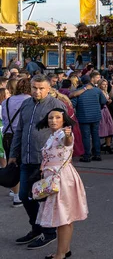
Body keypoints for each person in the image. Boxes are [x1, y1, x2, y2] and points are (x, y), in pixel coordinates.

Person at [9, 75, 66, 250]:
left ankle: (49, 233)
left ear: (48, 89)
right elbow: (20, 130)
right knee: (25, 195)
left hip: (46, 163)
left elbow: (65, 133)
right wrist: (13, 153)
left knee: (44, 199)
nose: (37, 91)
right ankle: (36, 228)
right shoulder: (26, 104)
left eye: (41, 88)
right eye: (34, 87)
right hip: (26, 159)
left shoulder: (56, 105)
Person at [36, 109, 88, 259]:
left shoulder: (64, 134)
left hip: (61, 178)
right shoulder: (53, 135)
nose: (53, 120)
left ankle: (60, 255)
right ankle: (65, 250)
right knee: (65, 216)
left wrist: (67, 135)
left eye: (57, 117)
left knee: (63, 217)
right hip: (54, 177)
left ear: (64, 120)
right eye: (50, 117)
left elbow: (68, 141)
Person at [2, 78, 31, 207]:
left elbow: (4, 118)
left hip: (8, 135)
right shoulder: (29, 101)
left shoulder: (6, 101)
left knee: (12, 164)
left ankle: (15, 193)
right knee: (25, 165)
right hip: (22, 136)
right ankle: (22, 194)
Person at [70, 75, 107, 162]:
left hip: (83, 117)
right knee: (95, 135)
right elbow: (103, 101)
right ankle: (97, 154)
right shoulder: (97, 91)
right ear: (90, 80)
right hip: (95, 116)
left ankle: (87, 155)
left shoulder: (78, 92)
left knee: (85, 137)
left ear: (81, 82)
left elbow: (73, 104)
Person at [97, 79, 113, 155]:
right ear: (100, 85)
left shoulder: (105, 91)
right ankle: (97, 147)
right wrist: (107, 101)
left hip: (107, 110)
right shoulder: (98, 92)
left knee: (109, 127)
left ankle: (108, 146)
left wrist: (112, 88)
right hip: (101, 110)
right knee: (101, 128)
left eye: (106, 84)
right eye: (103, 84)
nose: (105, 86)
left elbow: (110, 96)